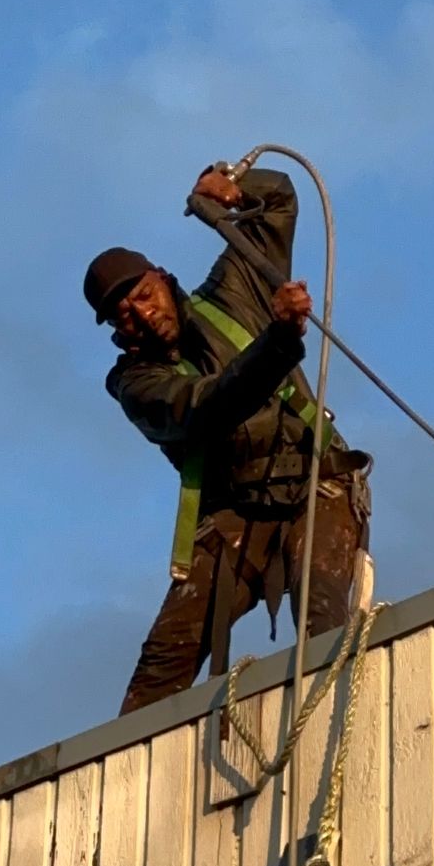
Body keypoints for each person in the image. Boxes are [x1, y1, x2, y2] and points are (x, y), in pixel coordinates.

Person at [84, 163, 372, 715]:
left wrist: (234, 192)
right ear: (116, 333)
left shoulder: (235, 287)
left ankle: (336, 736)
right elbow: (211, 404)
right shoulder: (135, 385)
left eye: (144, 296)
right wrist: (281, 339)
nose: (140, 317)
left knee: (323, 617)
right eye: (122, 316)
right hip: (234, 513)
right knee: (159, 671)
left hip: (317, 481)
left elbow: (281, 202)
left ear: (164, 281)